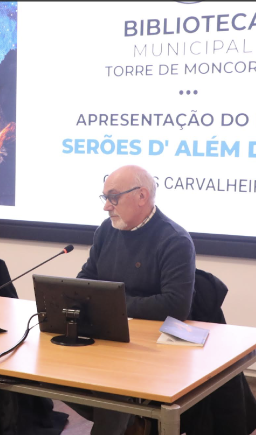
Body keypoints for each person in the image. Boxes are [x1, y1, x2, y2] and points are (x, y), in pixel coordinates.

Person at [71, 164, 196, 435]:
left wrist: (111, 304)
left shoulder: (174, 239)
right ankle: (132, 422)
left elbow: (175, 305)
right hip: (109, 336)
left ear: (142, 196)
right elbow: (86, 279)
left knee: (113, 388)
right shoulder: (106, 230)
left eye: (113, 197)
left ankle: (130, 421)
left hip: (152, 346)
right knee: (48, 372)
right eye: (105, 197)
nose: (106, 206)